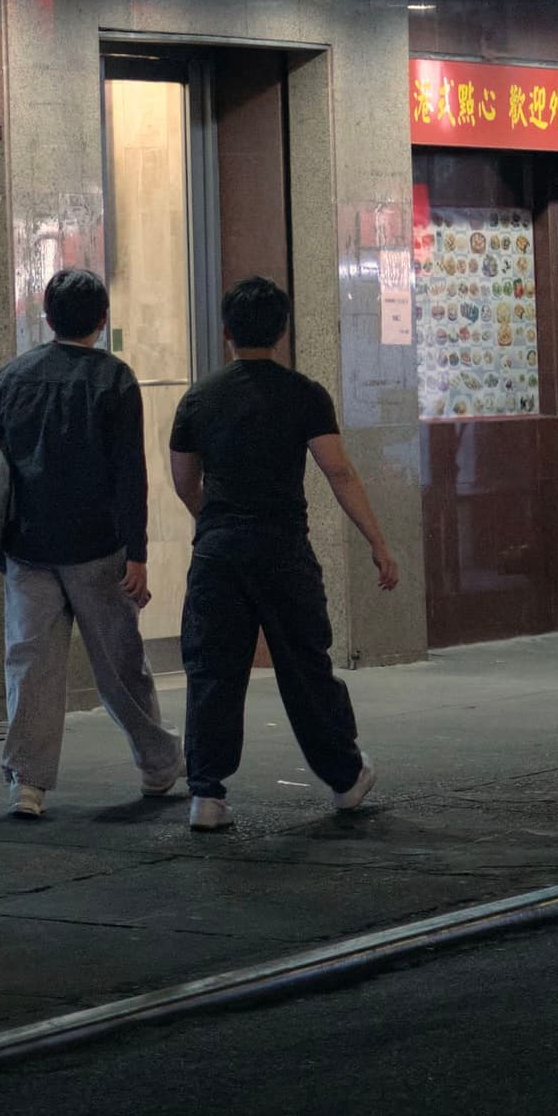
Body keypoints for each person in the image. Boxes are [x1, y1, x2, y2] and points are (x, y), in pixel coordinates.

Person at [169, 274, 399, 834]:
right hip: (282, 548)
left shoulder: (198, 397)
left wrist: (216, 522)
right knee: (304, 665)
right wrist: (377, 542)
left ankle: (206, 794)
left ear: (226, 330)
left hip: (219, 553)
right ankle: (344, 779)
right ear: (282, 331)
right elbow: (338, 471)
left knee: (214, 671)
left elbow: (183, 481)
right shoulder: (304, 394)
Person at [0, 266, 183, 818]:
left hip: (27, 547)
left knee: (31, 664)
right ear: (103, 320)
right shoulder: (115, 380)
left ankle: (28, 783)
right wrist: (137, 552)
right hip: (97, 547)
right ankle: (158, 764)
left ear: (46, 318)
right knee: (120, 664)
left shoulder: (10, 377)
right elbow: (128, 472)